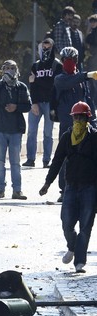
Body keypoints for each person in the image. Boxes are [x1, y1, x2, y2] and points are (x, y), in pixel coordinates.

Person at [39, 101, 97, 273]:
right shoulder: (67, 137)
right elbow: (57, 161)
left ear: (87, 118)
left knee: (85, 227)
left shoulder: (94, 137)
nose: (78, 120)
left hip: (90, 188)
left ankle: (80, 261)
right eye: (75, 117)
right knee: (66, 223)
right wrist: (47, 183)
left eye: (81, 117)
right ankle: (72, 247)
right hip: (70, 187)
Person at [54, 47, 97, 201]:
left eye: (73, 60)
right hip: (68, 125)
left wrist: (94, 121)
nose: (70, 63)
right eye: (67, 60)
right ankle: (64, 190)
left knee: (88, 156)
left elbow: (90, 100)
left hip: (86, 124)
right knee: (65, 157)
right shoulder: (60, 78)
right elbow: (70, 80)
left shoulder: (84, 81)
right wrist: (86, 75)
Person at [0, 60, 32, 200]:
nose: (10, 70)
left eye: (12, 68)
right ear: (3, 70)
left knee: (15, 162)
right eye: (7, 68)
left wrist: (16, 107)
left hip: (16, 131)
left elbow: (28, 106)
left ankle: (17, 190)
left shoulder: (21, 87)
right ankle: (0, 189)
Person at [22, 38, 62, 168]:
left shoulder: (57, 66)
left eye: (48, 46)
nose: (45, 49)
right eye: (43, 47)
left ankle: (46, 160)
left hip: (51, 104)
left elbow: (52, 85)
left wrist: (36, 81)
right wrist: (33, 103)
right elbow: (32, 86)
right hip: (36, 103)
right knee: (32, 132)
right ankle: (30, 159)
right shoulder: (36, 65)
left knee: (48, 133)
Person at [85, 14, 97, 107]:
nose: (93, 23)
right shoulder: (91, 33)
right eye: (91, 22)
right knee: (93, 80)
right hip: (93, 58)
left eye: (94, 21)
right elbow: (87, 42)